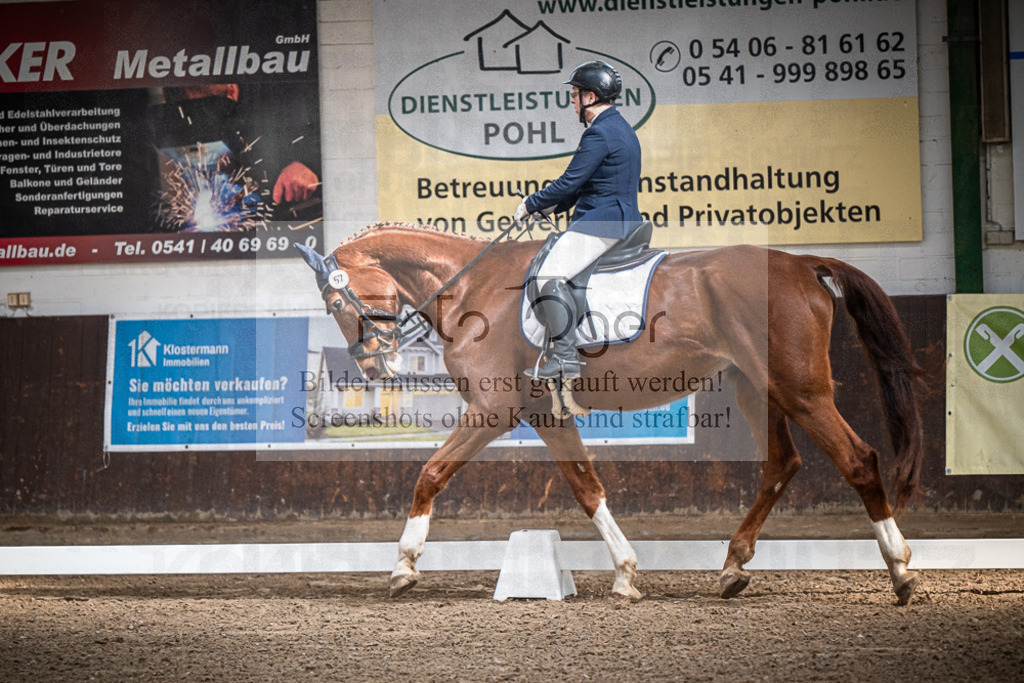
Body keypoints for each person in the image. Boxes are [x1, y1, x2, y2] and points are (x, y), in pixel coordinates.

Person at [514, 60, 643, 380]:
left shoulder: (598, 133)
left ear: (590, 97)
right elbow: (587, 185)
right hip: (623, 219)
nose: (572, 101)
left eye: (574, 95)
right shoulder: (620, 127)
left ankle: (564, 357)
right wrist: (551, 209)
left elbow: (569, 182)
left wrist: (531, 203)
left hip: (602, 223)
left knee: (547, 277)